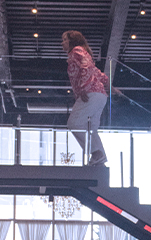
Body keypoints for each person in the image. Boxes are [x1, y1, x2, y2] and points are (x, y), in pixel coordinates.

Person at [62, 30, 109, 167]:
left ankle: (96, 153)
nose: (62, 43)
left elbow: (86, 67)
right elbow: (97, 73)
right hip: (100, 95)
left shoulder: (76, 51)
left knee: (74, 124)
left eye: (65, 40)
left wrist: (83, 87)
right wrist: (110, 87)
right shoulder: (83, 52)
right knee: (92, 128)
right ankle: (99, 158)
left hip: (90, 93)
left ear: (72, 41)